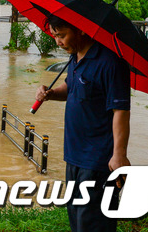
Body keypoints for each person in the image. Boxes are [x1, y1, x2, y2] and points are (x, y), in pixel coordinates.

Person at [35, 14, 131, 232]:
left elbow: (121, 111)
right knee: (78, 221)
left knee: (94, 223)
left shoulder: (110, 63)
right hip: (74, 156)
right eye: (54, 36)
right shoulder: (76, 57)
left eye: (61, 36)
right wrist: (50, 94)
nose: (58, 42)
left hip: (97, 161)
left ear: (81, 30)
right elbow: (71, 88)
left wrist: (119, 155)